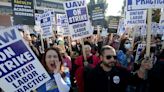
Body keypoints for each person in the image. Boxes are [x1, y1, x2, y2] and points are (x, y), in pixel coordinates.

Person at [87, 45, 152, 92]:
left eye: (114, 57)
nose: (112, 59)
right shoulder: (92, 74)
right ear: (101, 58)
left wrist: (142, 68)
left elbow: (135, 80)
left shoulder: (121, 71)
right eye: (108, 57)